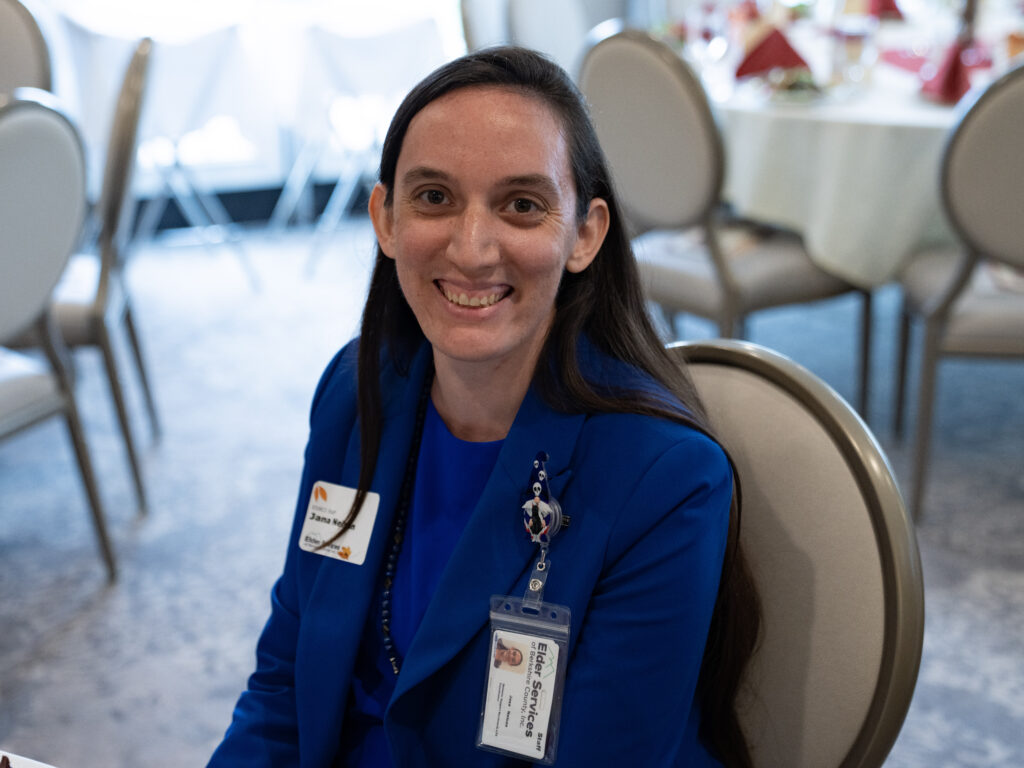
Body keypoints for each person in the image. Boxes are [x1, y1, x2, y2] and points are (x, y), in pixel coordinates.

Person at [208, 46, 759, 767]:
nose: (471, 250)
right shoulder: (356, 393)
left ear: (585, 234)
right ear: (384, 219)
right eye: (434, 197)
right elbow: (286, 680)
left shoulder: (662, 480)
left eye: (522, 205)